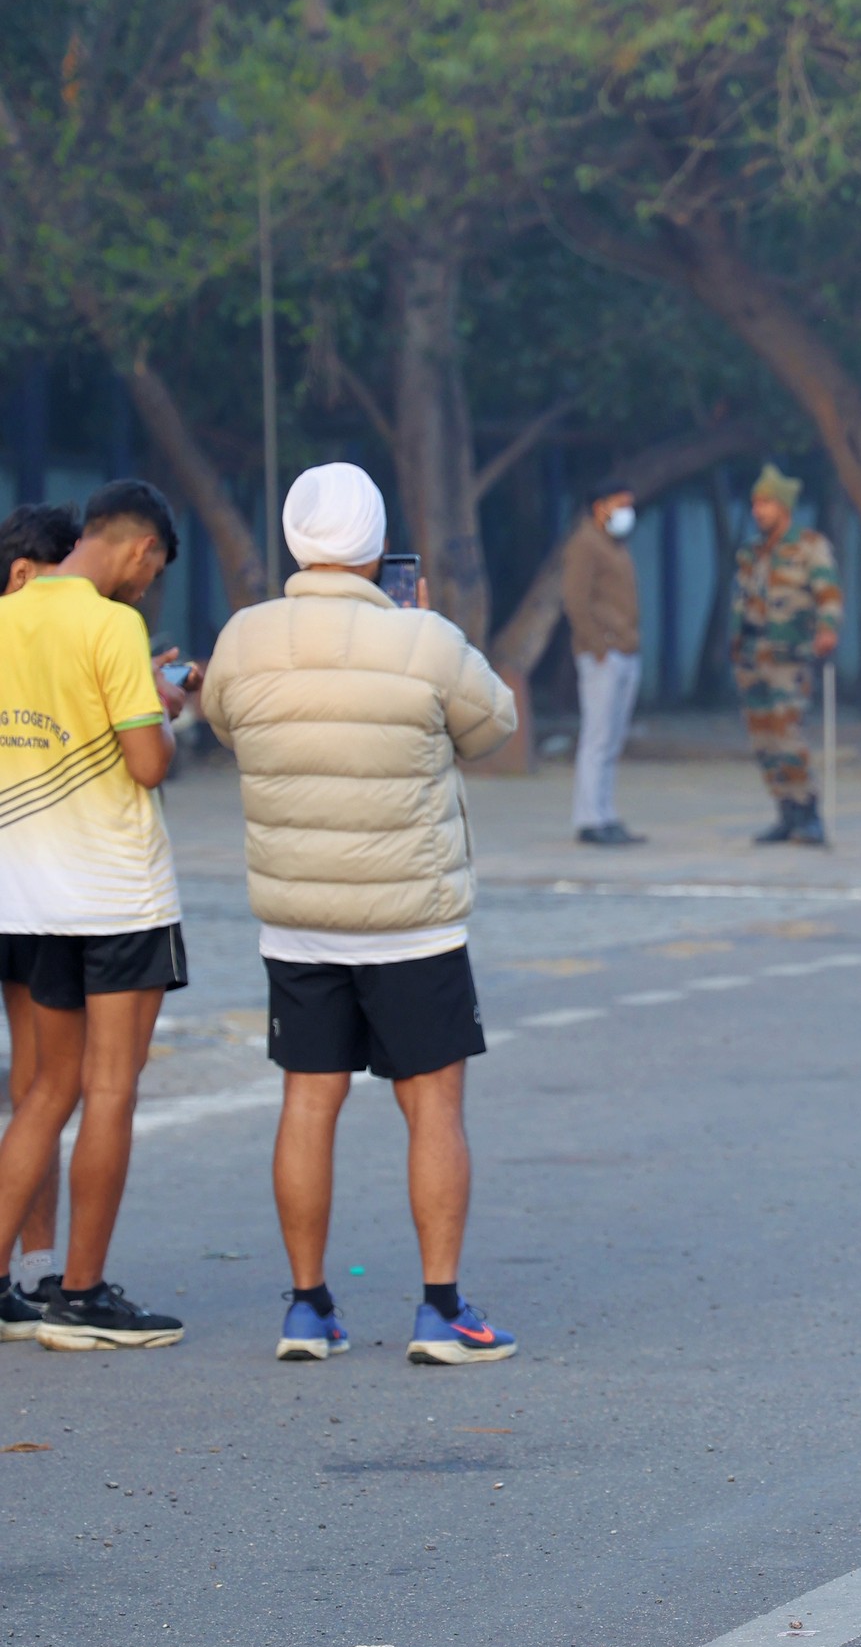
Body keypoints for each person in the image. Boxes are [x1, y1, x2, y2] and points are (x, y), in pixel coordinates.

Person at [200, 462, 520, 1368]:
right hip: (413, 919)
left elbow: (225, 724)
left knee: (308, 1102)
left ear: (294, 541)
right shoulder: (424, 639)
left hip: (297, 919)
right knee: (434, 1107)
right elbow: (494, 725)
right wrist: (426, 626)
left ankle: (308, 1309)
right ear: (379, 547)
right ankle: (441, 1310)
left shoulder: (245, 638)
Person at [0, 479, 191, 1349]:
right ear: (141, 548)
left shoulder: (8, 616)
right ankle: (80, 1297)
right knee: (111, 1088)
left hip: (29, 896)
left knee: (46, 1090)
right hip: (114, 893)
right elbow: (146, 763)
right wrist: (166, 710)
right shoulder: (113, 627)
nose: (147, 587)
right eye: (153, 571)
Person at [0, 501, 82, 1327]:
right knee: (47, 1082)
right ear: (23, 573)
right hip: (30, 889)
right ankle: (31, 1270)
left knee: (37, 1082)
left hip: (25, 888)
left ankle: (33, 1267)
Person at [729, 463, 843, 846]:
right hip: (752, 654)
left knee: (788, 735)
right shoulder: (751, 552)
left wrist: (827, 629)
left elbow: (828, 592)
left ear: (784, 507)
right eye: (755, 504)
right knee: (763, 740)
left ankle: (808, 811)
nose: (758, 511)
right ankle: (786, 812)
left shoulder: (808, 546)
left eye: (765, 503)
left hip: (788, 656)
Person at [562, 477, 646, 848]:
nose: (627, 512)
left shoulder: (614, 544)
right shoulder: (585, 543)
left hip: (625, 649)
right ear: (600, 507)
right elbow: (575, 599)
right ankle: (590, 819)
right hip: (603, 653)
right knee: (597, 738)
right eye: (620, 504)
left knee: (612, 739)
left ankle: (605, 813)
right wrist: (596, 644)